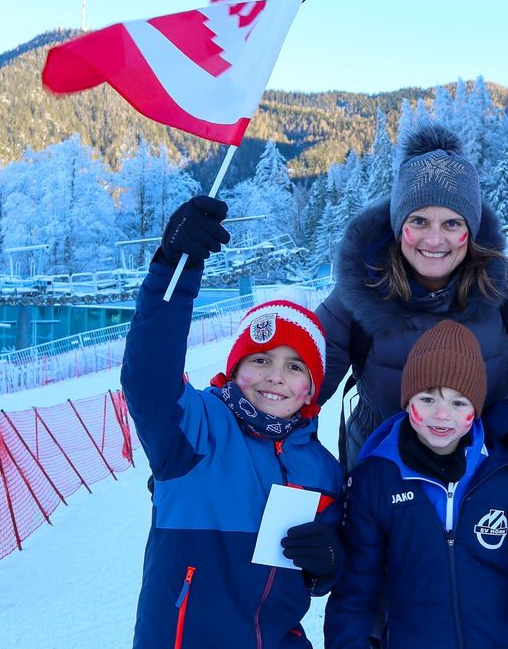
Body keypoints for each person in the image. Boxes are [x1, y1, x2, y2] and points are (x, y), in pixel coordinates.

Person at [121, 196, 344, 649]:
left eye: (295, 366)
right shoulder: (197, 430)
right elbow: (147, 378)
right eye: (260, 359)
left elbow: (319, 573)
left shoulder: (322, 470)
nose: (274, 377)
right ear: (236, 369)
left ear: (312, 389)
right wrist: (172, 269)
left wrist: (329, 562)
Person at [316, 122, 508, 468]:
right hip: (380, 488)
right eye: (418, 221)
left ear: (471, 230)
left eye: (452, 224)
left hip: (487, 489)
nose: (434, 240)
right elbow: (291, 390)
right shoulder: (361, 289)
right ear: (399, 224)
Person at [324, 320, 508, 647]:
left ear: (475, 409)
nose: (442, 416)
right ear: (408, 400)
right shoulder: (376, 480)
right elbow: (356, 591)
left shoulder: (506, 477)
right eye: (427, 399)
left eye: (458, 402)